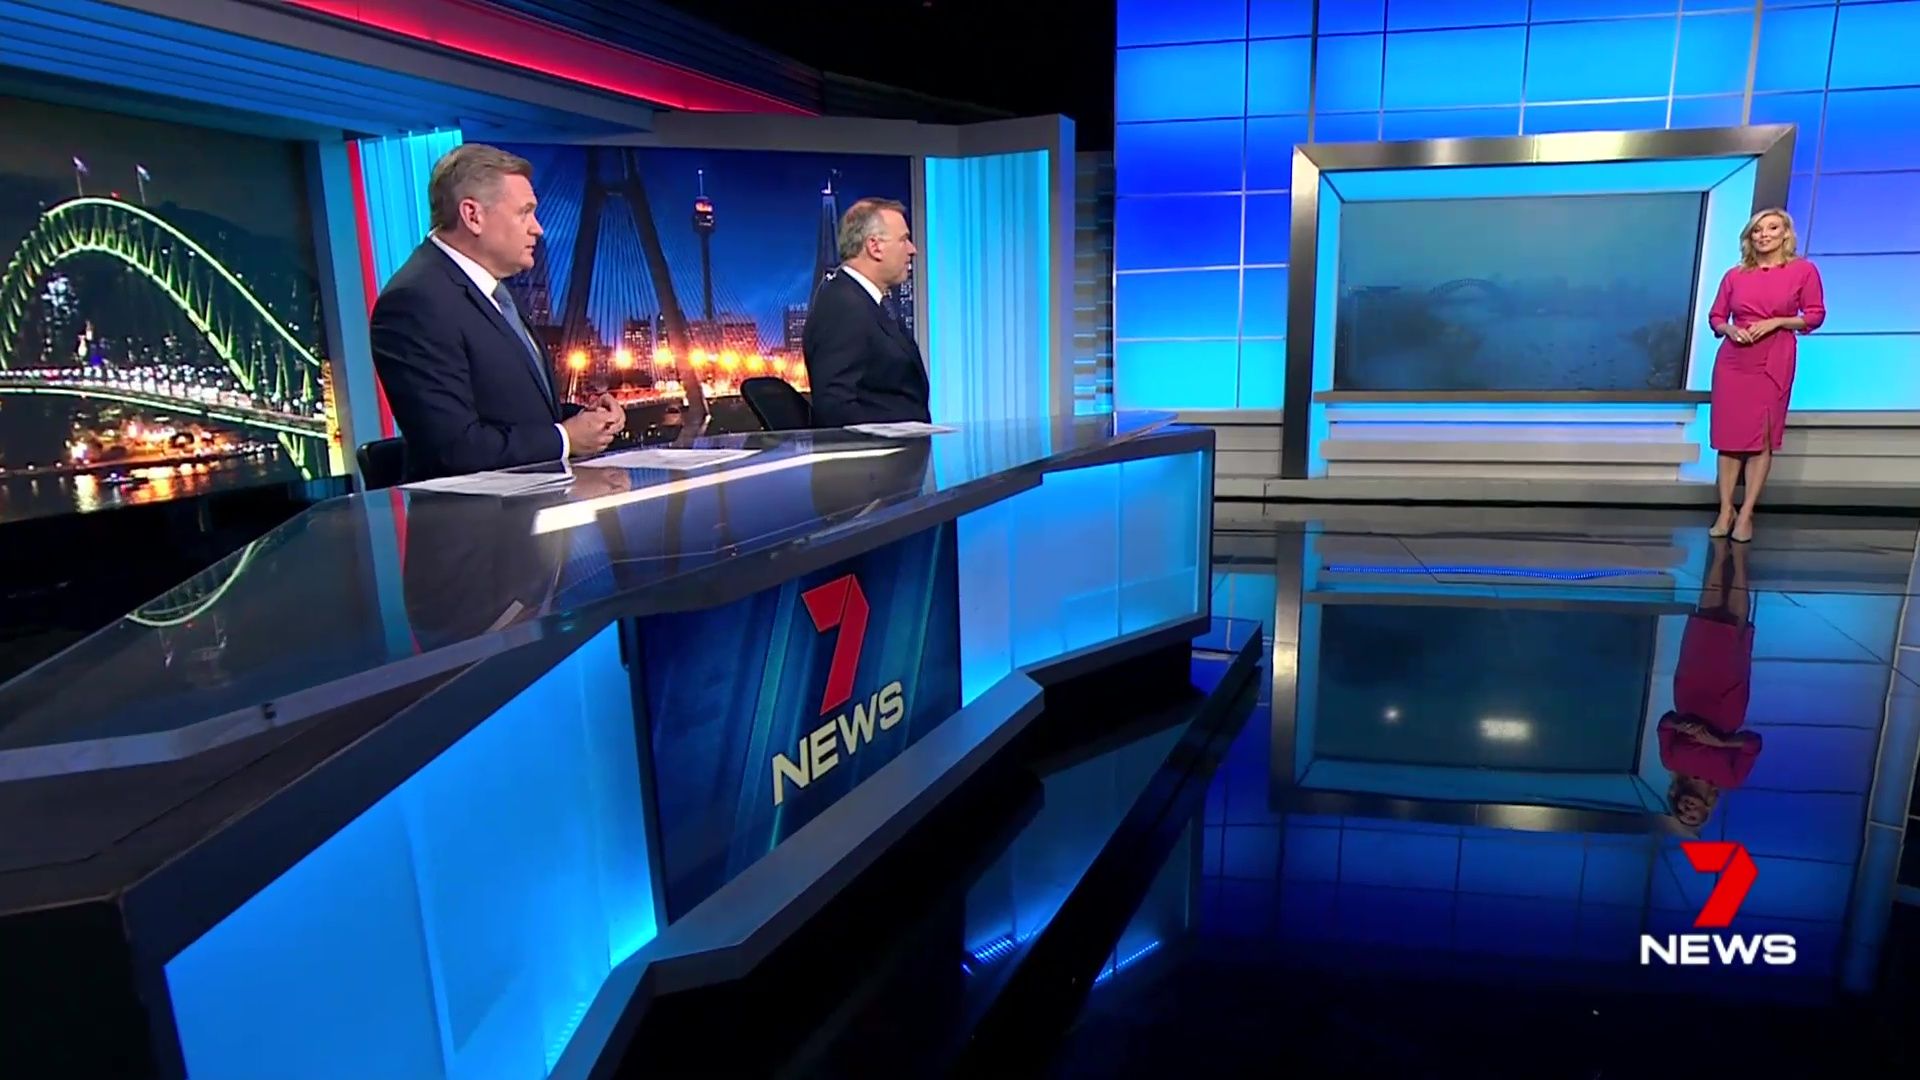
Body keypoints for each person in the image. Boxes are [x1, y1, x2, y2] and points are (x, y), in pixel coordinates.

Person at [371, 144, 624, 482]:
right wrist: (565, 439)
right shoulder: (414, 302)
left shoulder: (494, 290)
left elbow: (515, 414)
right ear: (473, 216)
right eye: (525, 213)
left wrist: (585, 419)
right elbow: (453, 449)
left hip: (537, 504)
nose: (538, 228)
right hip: (477, 515)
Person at [1706, 208, 1825, 543]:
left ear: (1785, 233)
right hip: (1734, 361)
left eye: (1772, 228)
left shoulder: (1803, 271)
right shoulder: (1734, 275)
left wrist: (1777, 322)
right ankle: (1726, 509)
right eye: (1757, 230)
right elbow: (1716, 317)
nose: (1764, 235)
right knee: (1728, 439)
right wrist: (1729, 329)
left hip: (1774, 358)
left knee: (1761, 438)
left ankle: (1746, 513)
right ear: (1750, 236)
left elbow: (1814, 316)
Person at [1659, 538, 1762, 830]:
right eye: (1692, 816)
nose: (1686, 809)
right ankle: (1739, 559)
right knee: (1735, 628)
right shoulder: (1730, 779)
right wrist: (1720, 743)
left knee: (1705, 621)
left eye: (1680, 811)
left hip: (1691, 694)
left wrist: (1682, 727)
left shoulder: (1671, 762)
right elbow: (1753, 744)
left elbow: (1664, 725)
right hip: (1726, 705)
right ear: (1707, 809)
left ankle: (1719, 555)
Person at [801, 197, 930, 428]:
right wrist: (901, 432)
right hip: (880, 451)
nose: (913, 250)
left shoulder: (867, 302)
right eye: (904, 240)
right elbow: (835, 408)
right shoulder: (843, 306)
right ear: (874, 247)